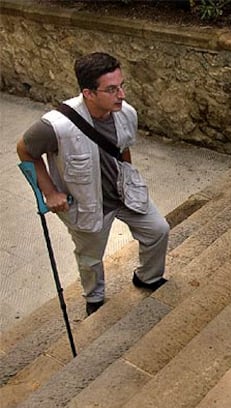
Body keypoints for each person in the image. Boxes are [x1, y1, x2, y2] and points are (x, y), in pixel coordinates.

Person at [17, 52, 170, 316]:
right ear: (88, 93)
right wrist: (49, 192)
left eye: (121, 86)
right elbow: (24, 150)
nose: (121, 94)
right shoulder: (56, 126)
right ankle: (95, 297)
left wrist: (128, 174)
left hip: (124, 194)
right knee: (90, 258)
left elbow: (122, 149)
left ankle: (148, 277)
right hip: (88, 205)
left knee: (159, 230)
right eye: (111, 89)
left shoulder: (126, 113)